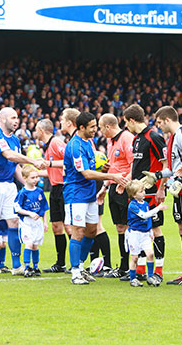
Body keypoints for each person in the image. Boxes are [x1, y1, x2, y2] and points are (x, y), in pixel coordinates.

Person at [0, 107, 46, 277]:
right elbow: (9, 156)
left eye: (17, 117)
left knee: (14, 224)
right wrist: (33, 161)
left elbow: (15, 166)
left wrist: (26, 186)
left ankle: (16, 266)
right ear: (3, 120)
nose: (17, 120)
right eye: (13, 117)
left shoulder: (15, 139)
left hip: (9, 186)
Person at [64, 111, 128, 285]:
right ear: (81, 127)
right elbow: (84, 173)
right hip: (75, 194)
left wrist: (103, 169)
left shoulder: (88, 142)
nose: (95, 130)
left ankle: (81, 266)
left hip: (89, 194)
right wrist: (112, 176)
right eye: (92, 127)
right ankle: (75, 271)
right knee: (77, 231)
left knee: (91, 230)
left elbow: (91, 169)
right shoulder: (74, 145)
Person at [152, 106, 182, 285]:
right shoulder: (175, 136)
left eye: (159, 122)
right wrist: (157, 176)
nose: (158, 126)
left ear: (167, 119)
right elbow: (176, 167)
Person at [123, 104, 168, 283]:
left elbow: (166, 165)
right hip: (137, 192)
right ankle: (140, 270)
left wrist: (161, 188)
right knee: (138, 229)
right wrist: (127, 181)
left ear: (132, 120)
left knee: (155, 230)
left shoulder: (154, 137)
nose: (126, 126)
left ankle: (158, 271)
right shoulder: (137, 139)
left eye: (126, 122)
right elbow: (136, 166)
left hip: (151, 193)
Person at [96, 113, 134, 279]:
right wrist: (104, 187)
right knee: (120, 227)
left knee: (128, 227)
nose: (100, 131)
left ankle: (130, 267)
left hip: (124, 188)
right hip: (113, 187)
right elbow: (114, 167)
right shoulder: (110, 142)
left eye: (100, 127)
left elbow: (134, 164)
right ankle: (123, 266)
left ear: (107, 127)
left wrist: (124, 182)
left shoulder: (126, 138)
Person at [34, 117, 68, 273]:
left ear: (41, 131)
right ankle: (60, 264)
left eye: (36, 129)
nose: (34, 132)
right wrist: (34, 172)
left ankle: (77, 263)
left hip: (64, 187)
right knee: (56, 227)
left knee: (68, 227)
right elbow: (50, 170)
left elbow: (70, 160)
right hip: (55, 188)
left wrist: (50, 164)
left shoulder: (56, 143)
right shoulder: (48, 146)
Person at [125, 179, 166, 287]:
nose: (144, 192)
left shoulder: (146, 203)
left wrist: (150, 230)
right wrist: (158, 208)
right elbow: (144, 215)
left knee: (150, 254)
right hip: (135, 234)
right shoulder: (132, 206)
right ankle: (133, 278)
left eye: (143, 190)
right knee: (134, 258)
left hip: (145, 234)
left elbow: (148, 219)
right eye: (141, 191)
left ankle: (150, 277)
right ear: (133, 195)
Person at [15, 164, 49, 277]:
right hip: (26, 222)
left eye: (36, 177)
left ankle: (35, 267)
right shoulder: (22, 193)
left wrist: (45, 222)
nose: (35, 180)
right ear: (25, 178)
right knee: (28, 243)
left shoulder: (39, 191)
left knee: (35, 245)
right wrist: (29, 213)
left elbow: (44, 208)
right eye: (32, 177)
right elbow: (17, 208)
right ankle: (27, 266)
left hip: (37, 223)